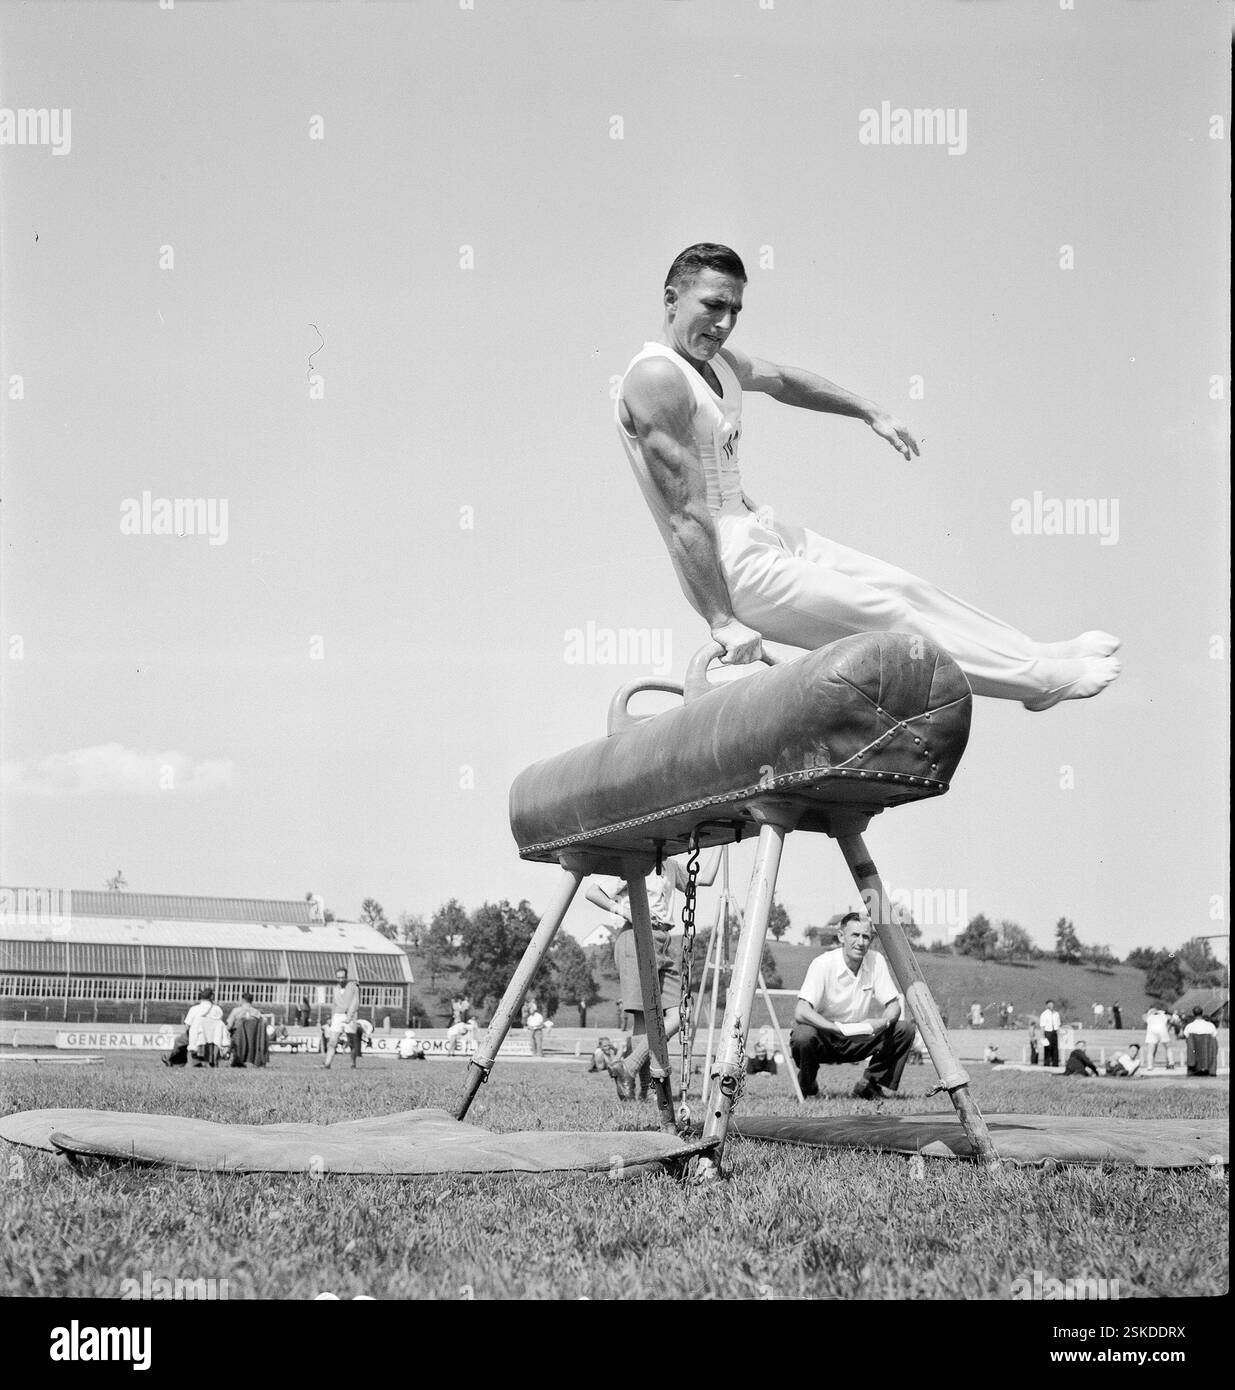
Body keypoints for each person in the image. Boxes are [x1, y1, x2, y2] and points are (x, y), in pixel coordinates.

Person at [615, 243, 1121, 711]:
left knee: (908, 589)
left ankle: (1033, 653)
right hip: (730, 568)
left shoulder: (718, 363)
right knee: (891, 621)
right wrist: (721, 620)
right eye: (712, 306)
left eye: (735, 311)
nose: (724, 324)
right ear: (671, 299)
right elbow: (685, 515)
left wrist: (868, 410)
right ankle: (1038, 683)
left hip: (759, 530)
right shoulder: (657, 379)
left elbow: (786, 381)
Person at [585, 849, 721, 1101]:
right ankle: (641, 1091)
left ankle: (629, 1067)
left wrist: (722, 844)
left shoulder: (671, 864)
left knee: (680, 1014)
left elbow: (706, 878)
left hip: (663, 939)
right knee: (642, 1018)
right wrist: (621, 910)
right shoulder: (635, 860)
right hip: (634, 935)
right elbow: (592, 891)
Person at [790, 913, 918, 1100]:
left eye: (865, 937)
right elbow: (801, 1011)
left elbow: (894, 1004)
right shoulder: (822, 964)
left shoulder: (876, 960)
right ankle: (807, 1085)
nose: (860, 942)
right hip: (826, 1035)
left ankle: (869, 1085)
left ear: (871, 939)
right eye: (854, 935)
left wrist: (883, 1022)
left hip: (859, 1036)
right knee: (803, 1035)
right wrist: (836, 1029)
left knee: (904, 1029)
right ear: (841, 936)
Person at [320, 968, 359, 1070]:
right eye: (338, 977)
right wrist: (332, 1017)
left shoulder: (353, 987)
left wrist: (350, 1017)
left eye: (343, 977)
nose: (341, 980)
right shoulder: (336, 988)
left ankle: (353, 1063)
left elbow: (355, 1002)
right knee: (332, 1042)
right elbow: (334, 1004)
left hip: (349, 1016)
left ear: (346, 977)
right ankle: (327, 1064)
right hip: (338, 1015)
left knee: (351, 1042)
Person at [184, 988, 226, 1067]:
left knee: (180, 1041)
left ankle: (174, 1061)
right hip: (213, 1042)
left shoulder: (194, 1009)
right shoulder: (218, 1010)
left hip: (196, 1041)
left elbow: (187, 1026)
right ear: (212, 997)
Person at [227, 991, 269, 1068]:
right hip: (253, 1040)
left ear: (242, 1000)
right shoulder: (257, 1013)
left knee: (232, 1035)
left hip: (239, 1039)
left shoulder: (236, 1011)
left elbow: (229, 1026)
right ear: (251, 1001)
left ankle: (234, 1058)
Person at [1183, 1006, 1219, 1077]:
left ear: (1193, 1014)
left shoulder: (1189, 1026)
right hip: (1207, 1050)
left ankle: (1193, 1067)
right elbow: (1214, 1035)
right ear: (1202, 1013)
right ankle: (1209, 1068)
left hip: (1194, 1050)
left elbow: (1186, 1036)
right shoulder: (1210, 1025)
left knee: (1190, 1041)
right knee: (1213, 1041)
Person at [1144, 1006, 1172, 1070]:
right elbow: (1171, 1018)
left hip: (1152, 1030)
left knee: (1150, 1050)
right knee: (1168, 1048)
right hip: (1162, 1029)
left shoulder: (1149, 1017)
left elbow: (1145, 1018)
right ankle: (1171, 1063)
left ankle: (1150, 1066)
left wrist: (1150, 1013)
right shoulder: (1163, 1016)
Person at [1039, 1000, 1061, 1068]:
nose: (1052, 1006)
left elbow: (1058, 1024)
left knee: (1055, 1049)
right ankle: (1047, 1064)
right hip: (1047, 1032)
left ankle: (1055, 1064)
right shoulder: (1044, 1014)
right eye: (1050, 1004)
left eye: (1052, 1004)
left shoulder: (1056, 1014)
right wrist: (1043, 1037)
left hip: (1054, 1032)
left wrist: (1058, 1033)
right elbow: (1042, 1026)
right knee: (1047, 1049)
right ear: (1047, 1006)